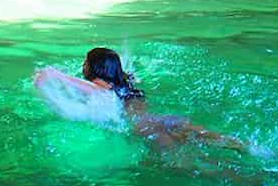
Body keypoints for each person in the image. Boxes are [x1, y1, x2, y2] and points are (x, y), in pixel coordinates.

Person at [34, 47, 248, 153]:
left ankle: (251, 180)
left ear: (93, 69)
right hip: (166, 120)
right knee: (217, 139)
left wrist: (57, 75)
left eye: (85, 63)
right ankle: (257, 151)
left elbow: (93, 89)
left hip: (146, 131)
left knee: (196, 166)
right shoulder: (125, 82)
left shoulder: (103, 88)